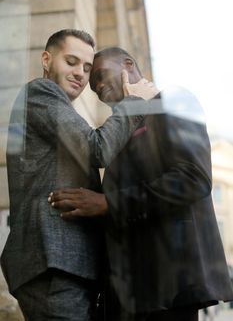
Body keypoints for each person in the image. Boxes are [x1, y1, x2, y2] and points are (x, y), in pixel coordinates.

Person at [49, 47, 233, 321]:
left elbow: (193, 178)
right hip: (126, 295)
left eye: (100, 75)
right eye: (93, 85)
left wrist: (108, 203)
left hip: (169, 288)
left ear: (128, 64)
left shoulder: (171, 100)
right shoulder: (122, 127)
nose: (97, 87)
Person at [0, 31, 156, 321]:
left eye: (86, 68)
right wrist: (134, 104)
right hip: (54, 264)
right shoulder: (40, 93)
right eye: (71, 61)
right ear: (46, 59)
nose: (81, 74)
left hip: (68, 266)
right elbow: (96, 149)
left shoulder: (60, 108)